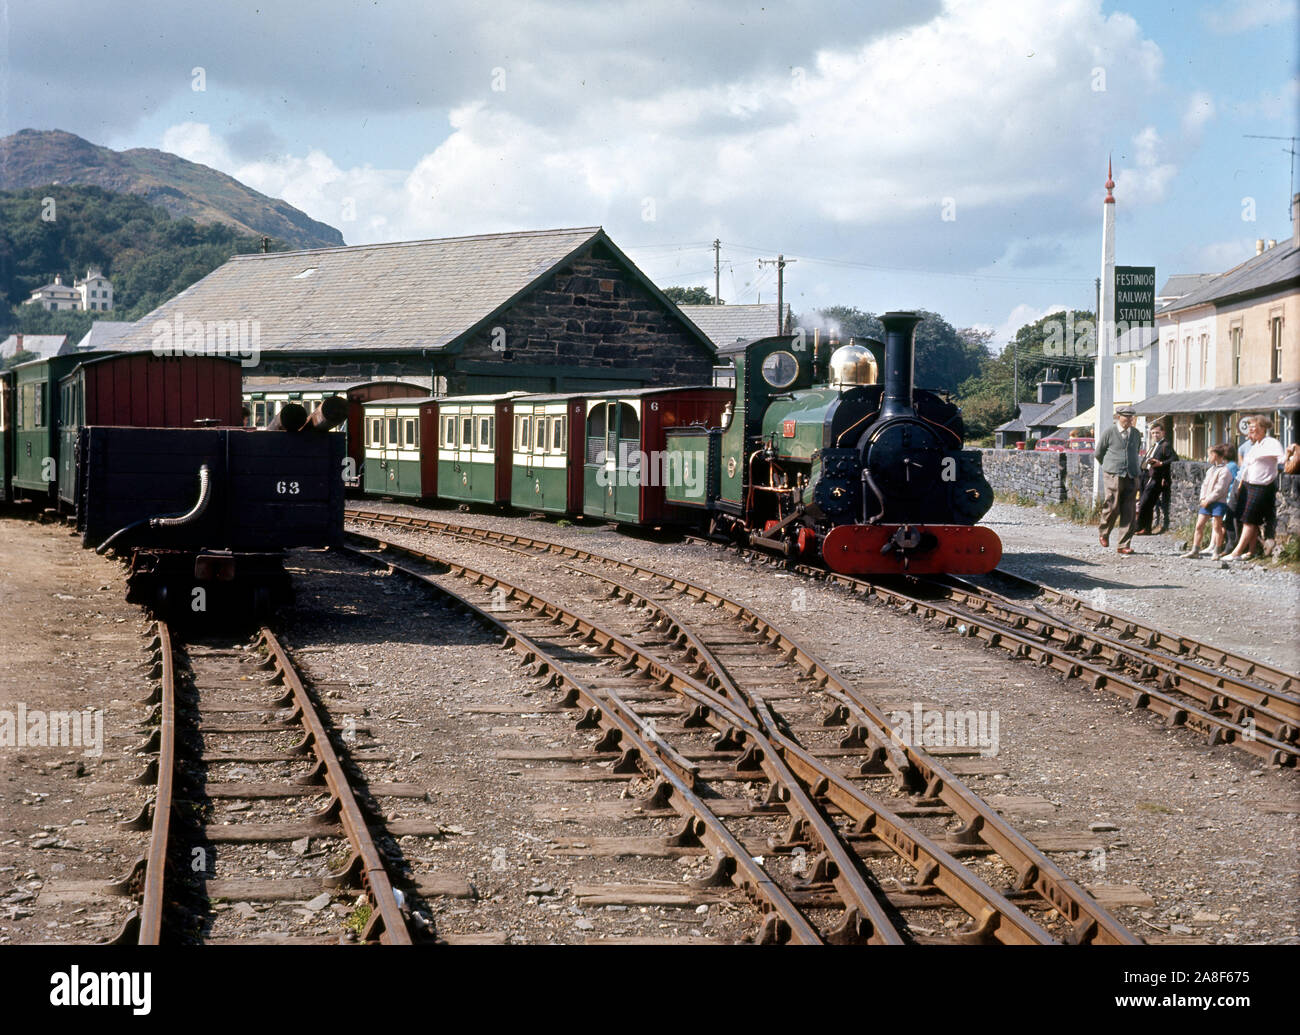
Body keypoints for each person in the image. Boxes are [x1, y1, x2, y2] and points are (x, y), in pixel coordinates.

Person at [1224, 414, 1285, 561]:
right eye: (1250, 428)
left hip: (1261, 486)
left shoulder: (1271, 443)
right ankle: (1251, 551)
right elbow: (1246, 468)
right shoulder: (1255, 445)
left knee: (1249, 520)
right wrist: (1240, 485)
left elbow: (1282, 459)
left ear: (1263, 428)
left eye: (1254, 428)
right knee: (1250, 519)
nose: (1250, 431)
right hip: (1248, 485)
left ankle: (1236, 552)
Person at [1094, 406, 1142, 554]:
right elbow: (1098, 453)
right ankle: (1104, 532)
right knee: (1113, 504)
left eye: (1131, 417)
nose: (1129, 419)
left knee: (1129, 509)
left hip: (1132, 473)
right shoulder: (1110, 432)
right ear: (1118, 417)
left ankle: (1123, 544)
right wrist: (1109, 467)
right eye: (1126, 416)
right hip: (1113, 472)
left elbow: (1136, 450)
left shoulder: (1135, 433)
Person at [1181, 444, 1233, 559]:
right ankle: (1195, 550)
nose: (1208, 457)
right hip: (1206, 502)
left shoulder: (1225, 471)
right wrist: (1202, 498)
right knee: (1199, 525)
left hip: (1218, 502)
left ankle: (1217, 551)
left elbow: (1220, 489)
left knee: (1217, 526)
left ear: (1215, 455)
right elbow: (1204, 485)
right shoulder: (1210, 470)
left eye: (1209, 454)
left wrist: (1208, 499)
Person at [1134, 423, 1176, 534]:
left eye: (1157, 432)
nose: (1155, 435)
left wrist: (1161, 463)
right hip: (1145, 475)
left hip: (1155, 477)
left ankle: (1137, 527)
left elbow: (1174, 458)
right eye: (1153, 433)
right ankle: (1146, 529)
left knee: (1144, 503)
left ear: (1163, 433)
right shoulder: (1154, 445)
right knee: (1148, 504)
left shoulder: (1165, 445)